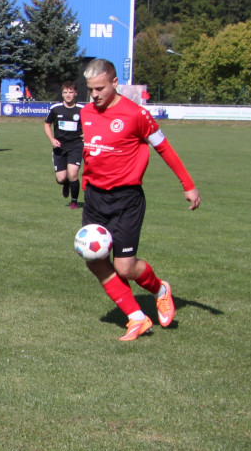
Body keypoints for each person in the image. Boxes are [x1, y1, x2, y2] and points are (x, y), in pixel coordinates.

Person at [80, 58, 200, 341]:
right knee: (94, 259)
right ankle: (136, 318)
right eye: (90, 89)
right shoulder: (86, 112)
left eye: (99, 88)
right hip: (95, 198)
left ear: (114, 83)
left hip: (126, 200)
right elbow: (92, 152)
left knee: (125, 266)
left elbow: (165, 148)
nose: (94, 95)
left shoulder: (136, 115)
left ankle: (160, 290)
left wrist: (188, 185)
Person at [44, 81, 84, 209]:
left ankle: (74, 201)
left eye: (71, 92)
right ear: (62, 94)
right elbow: (47, 125)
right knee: (61, 179)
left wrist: (87, 134)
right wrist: (52, 140)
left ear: (75, 93)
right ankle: (66, 183)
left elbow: (91, 125)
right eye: (65, 92)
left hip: (76, 146)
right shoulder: (55, 109)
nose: (68, 95)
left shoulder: (82, 110)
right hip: (59, 147)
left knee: (73, 173)